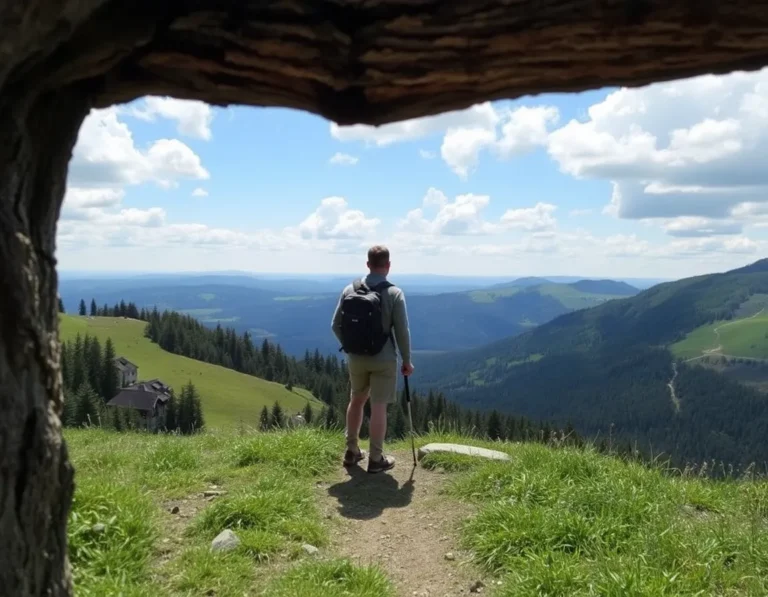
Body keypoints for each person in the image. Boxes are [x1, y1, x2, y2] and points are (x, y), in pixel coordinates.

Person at [331, 245, 414, 474]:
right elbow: (402, 331)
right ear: (388, 265)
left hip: (356, 358)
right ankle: (376, 459)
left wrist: (350, 346)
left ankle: (351, 451)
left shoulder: (350, 289)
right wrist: (407, 360)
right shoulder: (394, 293)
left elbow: (335, 325)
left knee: (356, 400)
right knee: (378, 406)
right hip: (384, 358)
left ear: (368, 264)